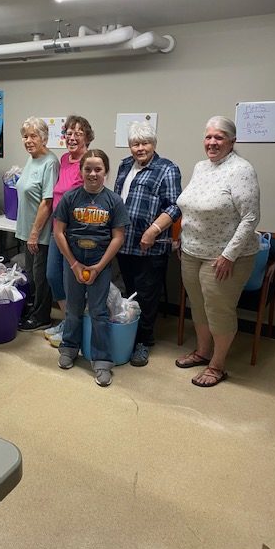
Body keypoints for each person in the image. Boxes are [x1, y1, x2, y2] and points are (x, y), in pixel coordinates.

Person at [175, 116, 260, 387]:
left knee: (218, 310)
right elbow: (190, 205)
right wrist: (183, 240)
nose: (212, 142)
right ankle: (202, 352)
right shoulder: (201, 167)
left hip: (224, 257)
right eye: (209, 137)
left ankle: (217, 365)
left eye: (219, 137)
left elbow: (250, 217)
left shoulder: (241, 170)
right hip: (192, 251)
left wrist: (228, 255)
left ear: (232, 142)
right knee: (198, 305)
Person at [53, 149, 130, 387]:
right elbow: (58, 231)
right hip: (73, 259)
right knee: (73, 309)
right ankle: (68, 348)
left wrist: (99, 266)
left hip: (101, 262)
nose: (93, 174)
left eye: (98, 169)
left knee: (98, 312)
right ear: (81, 171)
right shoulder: (70, 198)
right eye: (88, 169)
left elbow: (118, 236)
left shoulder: (113, 201)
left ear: (105, 171)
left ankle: (102, 360)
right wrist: (74, 264)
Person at [114, 122, 182, 367]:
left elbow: (174, 206)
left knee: (146, 295)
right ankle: (129, 335)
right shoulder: (123, 165)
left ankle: (144, 341)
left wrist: (153, 230)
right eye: (135, 143)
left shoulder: (167, 169)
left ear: (154, 144)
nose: (140, 148)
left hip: (150, 245)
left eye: (145, 143)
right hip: (124, 243)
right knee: (129, 291)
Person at [45, 115, 95, 347]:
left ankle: (74, 326)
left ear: (87, 137)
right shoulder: (64, 159)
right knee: (53, 275)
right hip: (58, 226)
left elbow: (89, 198)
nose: (72, 138)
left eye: (78, 133)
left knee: (70, 280)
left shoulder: (89, 162)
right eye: (69, 133)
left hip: (75, 230)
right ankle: (68, 319)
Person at [16, 117, 59, 331]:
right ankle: (33, 310)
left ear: (43, 138)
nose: (28, 140)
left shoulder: (50, 162)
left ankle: (42, 316)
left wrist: (34, 233)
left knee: (41, 277)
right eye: (25, 136)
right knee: (31, 275)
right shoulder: (32, 159)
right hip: (26, 229)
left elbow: (47, 201)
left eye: (33, 135)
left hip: (39, 232)